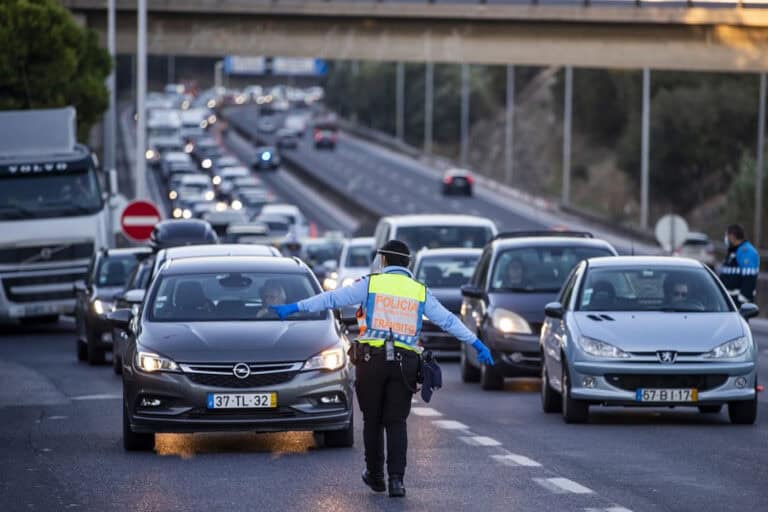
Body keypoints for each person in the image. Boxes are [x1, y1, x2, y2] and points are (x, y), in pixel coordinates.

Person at [271, 240, 494, 498]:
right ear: (407, 263)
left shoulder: (371, 284)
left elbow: (332, 298)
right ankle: (397, 481)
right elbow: (448, 321)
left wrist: (295, 307)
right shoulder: (419, 291)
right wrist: (477, 343)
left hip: (371, 361)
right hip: (405, 364)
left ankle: (375, 476)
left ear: (384, 260)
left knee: (373, 420)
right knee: (396, 422)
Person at [719, 224, 760, 305]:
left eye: (727, 235)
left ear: (732, 236)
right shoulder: (733, 250)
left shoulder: (746, 251)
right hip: (729, 299)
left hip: (738, 301)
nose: (726, 238)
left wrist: (743, 300)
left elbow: (749, 278)